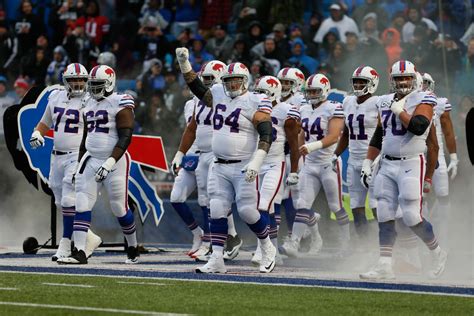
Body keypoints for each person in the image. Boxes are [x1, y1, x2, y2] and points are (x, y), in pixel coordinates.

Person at [176, 47, 277, 273]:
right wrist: (184, 63)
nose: (232, 85)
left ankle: (267, 247)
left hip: (244, 166)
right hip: (219, 164)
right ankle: (217, 258)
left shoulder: (255, 100)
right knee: (217, 209)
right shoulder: (217, 95)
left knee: (248, 212)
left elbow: (267, 132)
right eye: (229, 81)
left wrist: (257, 161)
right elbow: (196, 86)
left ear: (245, 81)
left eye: (236, 81)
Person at [359, 60, 447, 279]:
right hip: (387, 163)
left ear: (414, 77)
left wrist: (400, 112)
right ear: (392, 80)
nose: (403, 82)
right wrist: (367, 162)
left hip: (411, 162)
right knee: (384, 212)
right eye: (398, 78)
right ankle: (385, 264)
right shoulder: (384, 101)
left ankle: (438, 252)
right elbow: (379, 134)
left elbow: (418, 127)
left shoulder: (424, 98)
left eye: (406, 77)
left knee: (411, 216)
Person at [58, 65, 139, 264]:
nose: (94, 89)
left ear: (110, 83)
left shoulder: (120, 101)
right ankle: (79, 252)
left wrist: (110, 162)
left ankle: (133, 246)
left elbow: (126, 136)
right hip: (91, 158)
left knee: (119, 207)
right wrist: (79, 164)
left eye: (98, 84)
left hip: (116, 161)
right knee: (82, 203)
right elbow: (86, 137)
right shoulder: (88, 103)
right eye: (92, 85)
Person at [29, 63, 102, 261]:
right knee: (61, 201)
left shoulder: (90, 100)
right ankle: (90, 237)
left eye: (81, 80)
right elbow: (45, 122)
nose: (78, 83)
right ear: (65, 80)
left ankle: (66, 243)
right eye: (73, 80)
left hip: (76, 155)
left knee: (70, 200)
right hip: (56, 156)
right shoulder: (55, 97)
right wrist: (37, 133)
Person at [171, 60, 243, 261]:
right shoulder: (195, 101)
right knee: (207, 199)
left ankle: (227, 238)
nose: (207, 82)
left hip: (218, 153)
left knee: (216, 198)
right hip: (201, 153)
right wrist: (180, 154)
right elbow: (192, 128)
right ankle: (219, 241)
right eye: (206, 79)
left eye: (211, 78)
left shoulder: (226, 100)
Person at [281, 74, 350, 257]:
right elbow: (301, 135)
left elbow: (335, 136)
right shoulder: (303, 108)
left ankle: (347, 243)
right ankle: (294, 243)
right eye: (309, 91)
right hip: (310, 164)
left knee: (335, 206)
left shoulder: (333, 108)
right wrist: (296, 164)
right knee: (302, 203)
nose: (311, 94)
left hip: (328, 162)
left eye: (315, 91)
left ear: (325, 90)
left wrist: (312, 146)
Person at [250, 75, 301, 265]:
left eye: (263, 93)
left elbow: (294, 144)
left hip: (274, 163)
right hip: (256, 162)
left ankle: (260, 249)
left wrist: (294, 170)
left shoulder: (286, 112)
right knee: (267, 208)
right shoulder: (253, 108)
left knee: (262, 205)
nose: (259, 97)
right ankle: (273, 251)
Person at [332, 66, 380, 238]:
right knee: (356, 206)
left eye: (363, 82)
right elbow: (346, 133)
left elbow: (384, 133)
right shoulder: (347, 101)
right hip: (353, 160)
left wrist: (377, 158)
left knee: (376, 205)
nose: (358, 85)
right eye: (356, 81)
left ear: (372, 83)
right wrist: (336, 154)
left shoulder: (378, 103)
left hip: (373, 161)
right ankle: (364, 247)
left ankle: (386, 245)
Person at [421, 73, 458, 244]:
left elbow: (448, 131)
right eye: (420, 83)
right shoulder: (406, 102)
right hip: (416, 156)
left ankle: (445, 234)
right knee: (420, 197)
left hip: (437, 155)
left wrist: (454, 156)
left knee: (443, 194)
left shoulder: (440, 103)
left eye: (426, 84)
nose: (423, 87)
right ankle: (427, 236)